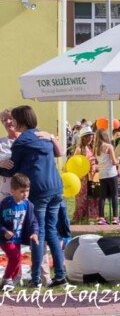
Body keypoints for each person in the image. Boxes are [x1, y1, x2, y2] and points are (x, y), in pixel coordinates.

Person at [0, 105, 66, 288]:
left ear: (20, 120)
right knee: (52, 232)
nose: (11, 122)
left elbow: (12, 169)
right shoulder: (43, 137)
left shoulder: (21, 143)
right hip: (56, 188)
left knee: (38, 233)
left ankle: (36, 279)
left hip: (38, 191)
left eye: (13, 119)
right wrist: (52, 137)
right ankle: (60, 276)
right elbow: (59, 153)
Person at [0, 173, 38, 289]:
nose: (25, 194)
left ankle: (13, 280)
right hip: (5, 239)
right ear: (12, 191)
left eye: (27, 190)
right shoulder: (6, 204)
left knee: (17, 259)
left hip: (18, 239)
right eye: (22, 191)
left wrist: (35, 233)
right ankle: (7, 279)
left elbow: (34, 221)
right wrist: (4, 230)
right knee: (16, 257)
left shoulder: (28, 205)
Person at [72, 126, 99, 222]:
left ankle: (91, 216)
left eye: (91, 136)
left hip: (92, 176)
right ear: (83, 138)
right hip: (82, 177)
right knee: (82, 199)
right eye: (87, 137)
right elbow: (75, 163)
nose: (90, 139)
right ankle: (80, 217)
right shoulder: (79, 149)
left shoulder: (91, 148)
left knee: (92, 197)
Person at [94, 129, 120, 225]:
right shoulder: (109, 146)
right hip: (111, 173)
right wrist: (119, 161)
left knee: (102, 196)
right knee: (114, 195)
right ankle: (115, 217)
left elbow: (97, 162)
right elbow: (113, 161)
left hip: (102, 174)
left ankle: (101, 217)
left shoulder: (96, 148)